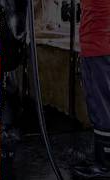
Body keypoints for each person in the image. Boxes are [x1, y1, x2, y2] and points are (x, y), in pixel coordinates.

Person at [74, 0, 110, 178]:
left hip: (98, 48)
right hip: (100, 47)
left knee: (101, 107)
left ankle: (104, 165)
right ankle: (102, 159)